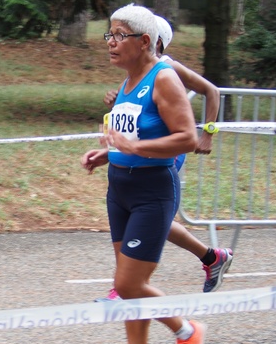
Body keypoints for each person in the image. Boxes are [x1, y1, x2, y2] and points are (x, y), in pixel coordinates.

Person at [81, 4, 205, 344]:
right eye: (109, 35)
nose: (111, 43)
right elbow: (132, 135)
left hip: (153, 190)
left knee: (129, 284)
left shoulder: (163, 77)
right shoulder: (128, 80)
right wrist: (109, 154)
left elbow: (187, 137)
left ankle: (187, 332)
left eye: (119, 35)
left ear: (145, 41)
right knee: (127, 285)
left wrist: (135, 149)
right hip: (120, 188)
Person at [98, 15, 232, 299]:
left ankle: (129, 285)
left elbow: (211, 90)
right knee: (153, 219)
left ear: (153, 41)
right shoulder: (135, 71)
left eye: (123, 36)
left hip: (164, 151)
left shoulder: (166, 67)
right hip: (140, 150)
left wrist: (208, 131)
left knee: (150, 214)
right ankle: (210, 257)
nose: (115, 42)